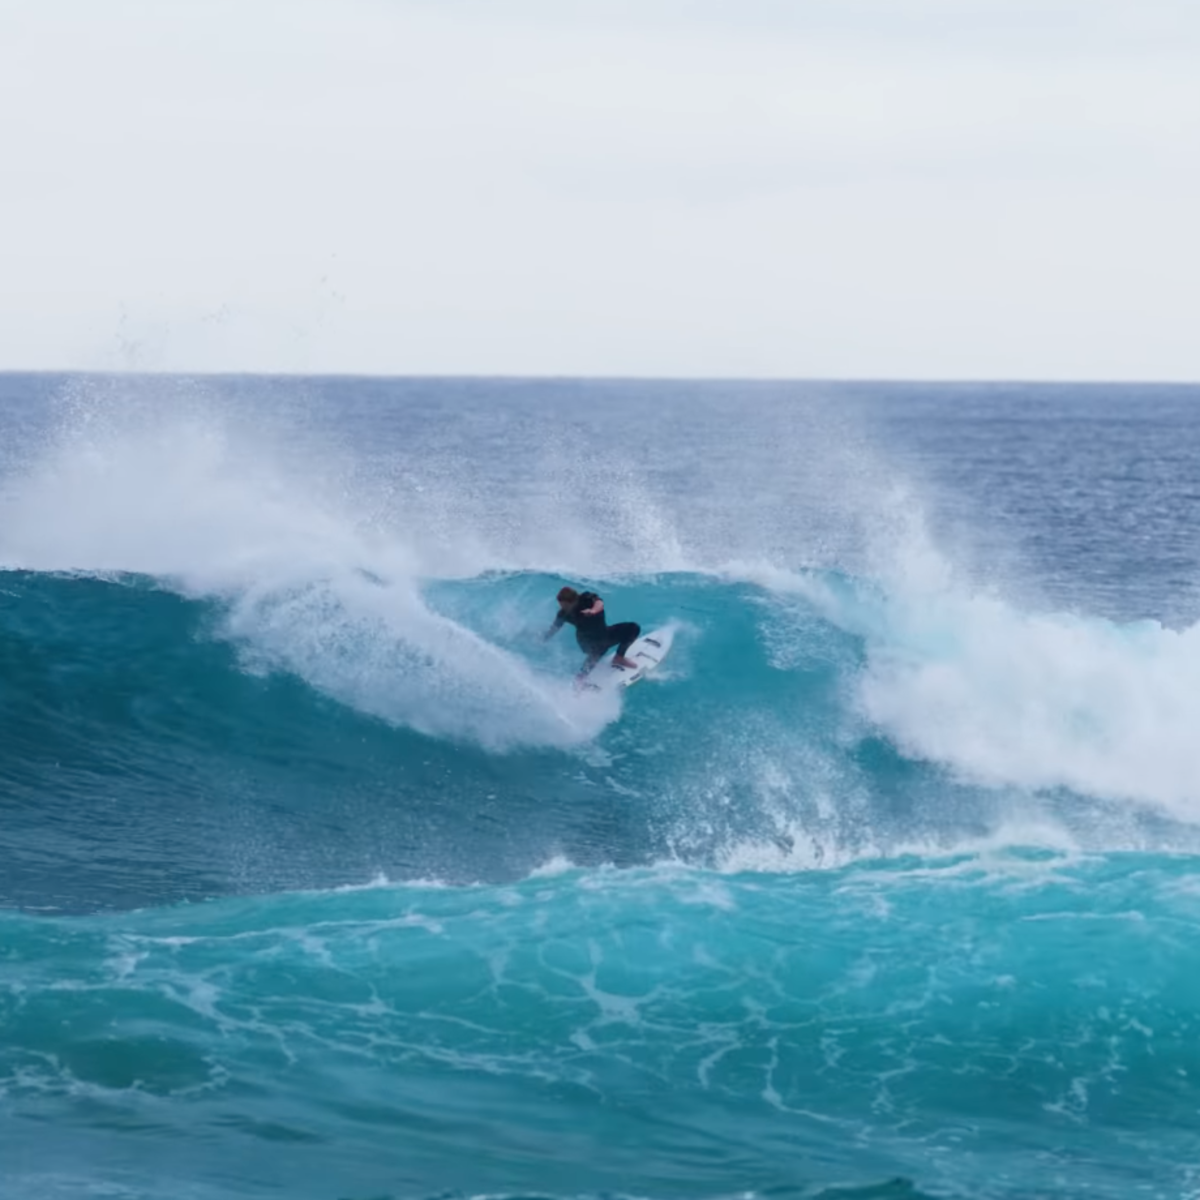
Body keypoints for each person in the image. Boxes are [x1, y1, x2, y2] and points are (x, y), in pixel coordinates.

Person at [544, 586, 641, 679]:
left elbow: (600, 603)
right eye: (561, 605)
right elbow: (554, 629)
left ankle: (619, 658)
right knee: (599, 647)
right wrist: (543, 638)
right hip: (586, 641)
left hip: (602, 634)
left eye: (565, 605)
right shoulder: (563, 614)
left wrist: (593, 611)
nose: (563, 608)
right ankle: (581, 678)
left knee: (633, 628)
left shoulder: (586, 598)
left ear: (574, 600)